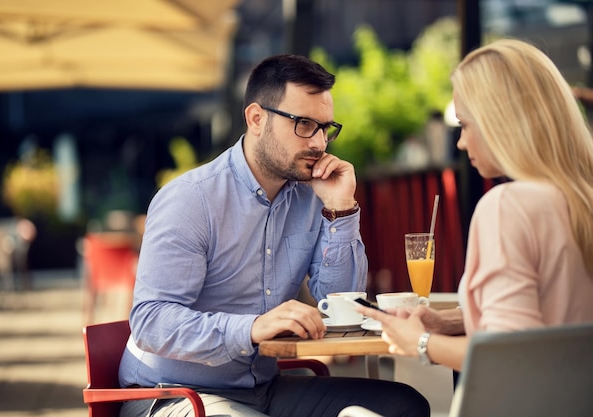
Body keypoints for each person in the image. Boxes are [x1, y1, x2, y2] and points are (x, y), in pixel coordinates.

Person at [119, 54, 430, 417]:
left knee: (404, 406)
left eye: (325, 128)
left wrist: (340, 208)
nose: (319, 143)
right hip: (174, 394)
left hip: (262, 388)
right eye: (303, 124)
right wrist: (252, 328)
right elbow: (151, 321)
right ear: (256, 119)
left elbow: (342, 302)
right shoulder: (191, 200)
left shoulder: (311, 194)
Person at [358, 39, 593, 372]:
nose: (461, 141)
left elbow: (509, 355)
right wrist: (448, 323)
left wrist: (420, 343)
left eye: (465, 124)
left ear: (500, 122)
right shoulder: (580, 198)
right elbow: (552, 321)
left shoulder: (508, 207)